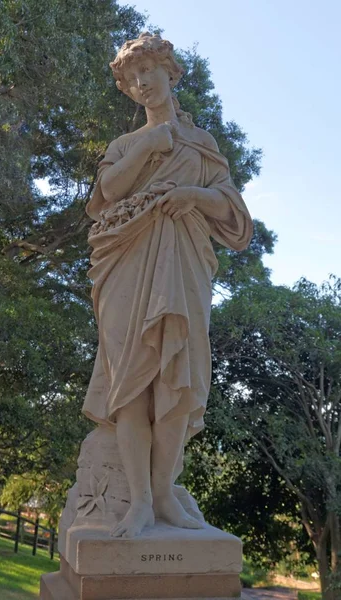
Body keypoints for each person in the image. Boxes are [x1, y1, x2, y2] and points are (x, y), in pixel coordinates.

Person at [83, 32, 253, 539]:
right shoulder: (123, 145)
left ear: (170, 73)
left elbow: (236, 217)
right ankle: (136, 502)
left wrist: (193, 193)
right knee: (130, 383)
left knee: (176, 381)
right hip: (126, 267)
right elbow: (106, 194)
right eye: (132, 80)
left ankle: (163, 496)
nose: (141, 83)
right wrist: (147, 147)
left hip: (183, 265)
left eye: (148, 73)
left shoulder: (203, 145)